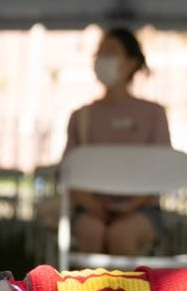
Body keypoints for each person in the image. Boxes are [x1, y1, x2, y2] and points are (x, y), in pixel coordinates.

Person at [63, 26, 171, 256]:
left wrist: (129, 207)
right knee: (91, 232)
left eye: (110, 52)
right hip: (90, 209)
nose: (102, 59)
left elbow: (161, 171)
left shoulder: (153, 113)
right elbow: (70, 173)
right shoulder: (81, 116)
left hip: (143, 209)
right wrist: (93, 206)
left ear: (131, 62)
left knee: (122, 236)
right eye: (99, 53)